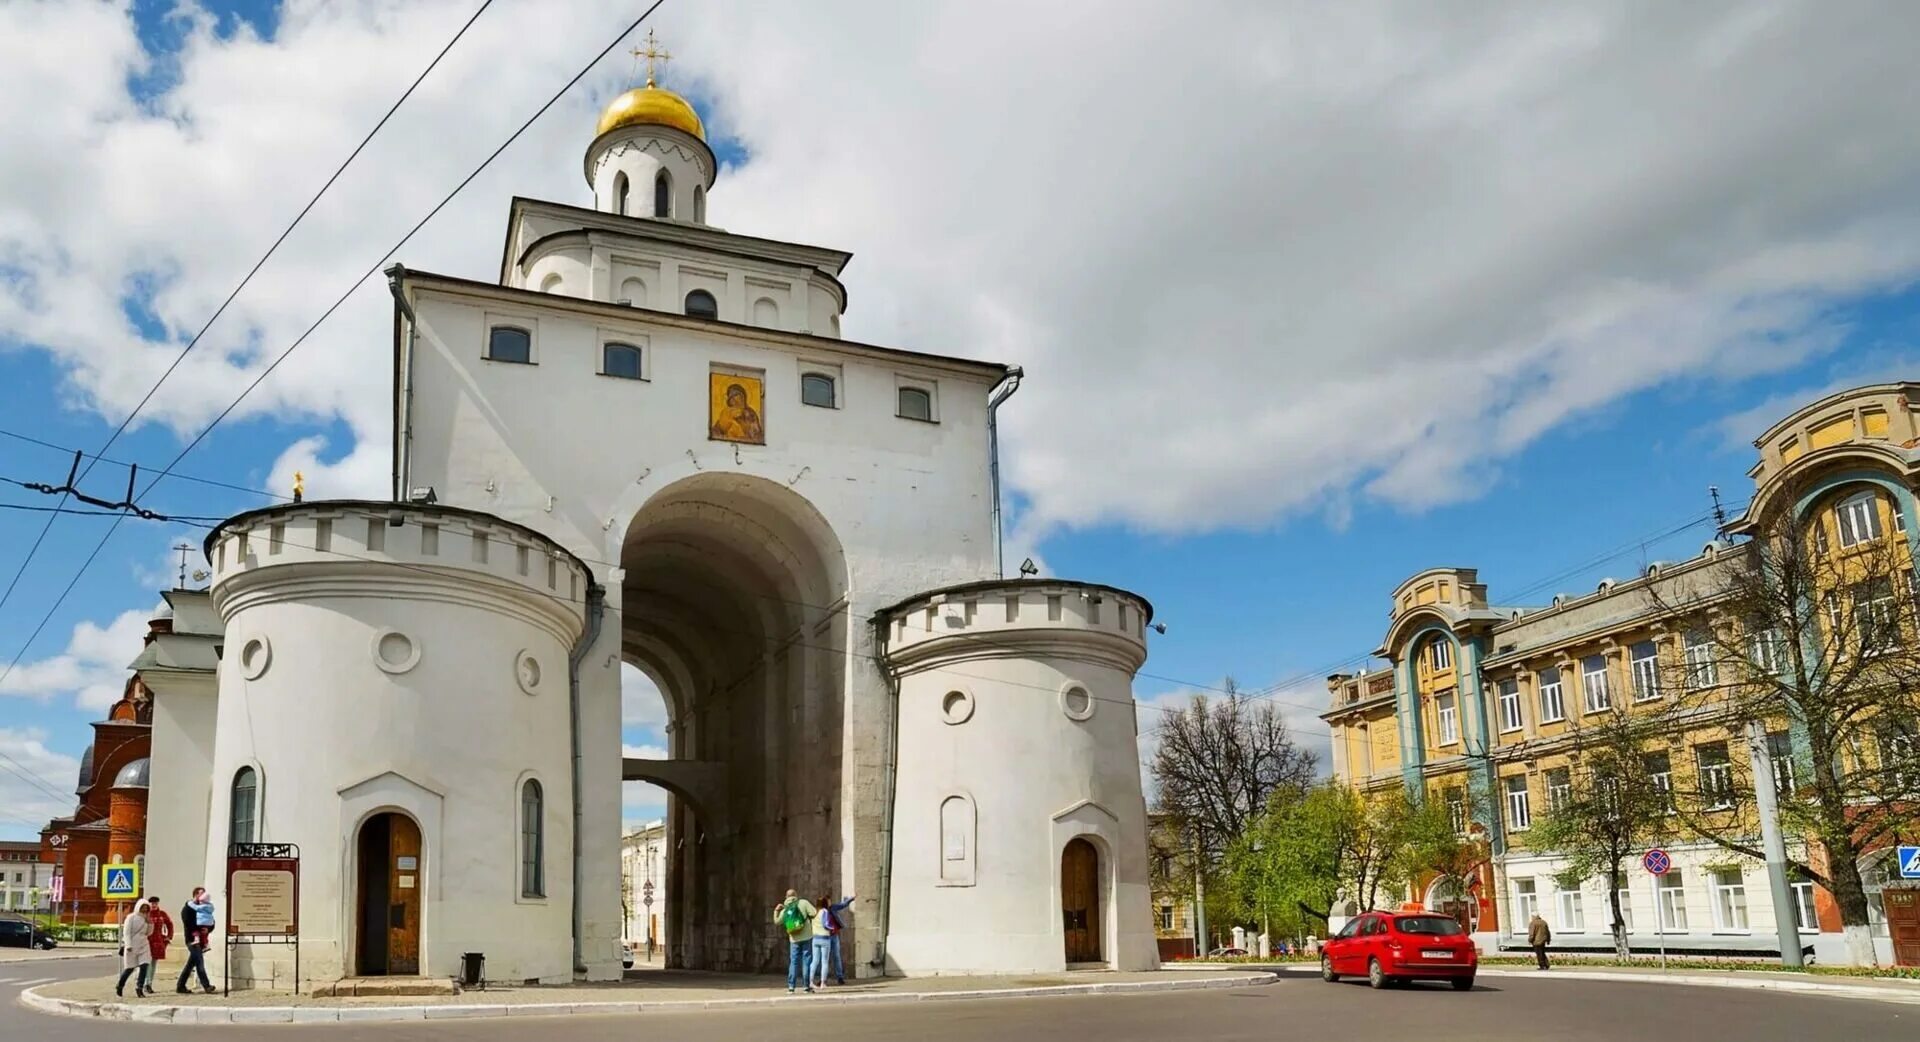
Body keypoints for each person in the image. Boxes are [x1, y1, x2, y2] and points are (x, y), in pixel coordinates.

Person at [772, 889, 817, 993]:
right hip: (807, 937)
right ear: (796, 895)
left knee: (794, 962)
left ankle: (791, 987)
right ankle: (806, 987)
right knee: (806, 961)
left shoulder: (785, 909)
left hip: (794, 939)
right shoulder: (803, 902)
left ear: (786, 897)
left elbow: (777, 922)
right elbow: (814, 913)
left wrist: (776, 910)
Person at [177, 887, 217, 994]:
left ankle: (180, 986)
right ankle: (206, 986)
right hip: (192, 939)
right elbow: (187, 923)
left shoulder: (204, 907)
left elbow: (211, 921)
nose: (204, 896)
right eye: (201, 894)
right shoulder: (188, 908)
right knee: (199, 962)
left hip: (201, 940)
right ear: (196, 895)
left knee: (191, 964)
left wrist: (208, 929)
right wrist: (198, 930)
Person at [116, 900, 154, 998]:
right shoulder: (131, 917)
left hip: (144, 944)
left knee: (144, 966)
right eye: (143, 907)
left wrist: (150, 923)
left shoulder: (146, 918)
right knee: (129, 968)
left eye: (146, 907)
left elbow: (149, 933)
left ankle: (139, 988)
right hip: (132, 945)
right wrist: (128, 945)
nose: (145, 909)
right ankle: (120, 985)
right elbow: (127, 932)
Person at [814, 894, 854, 986]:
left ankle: (840, 977)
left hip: (834, 936)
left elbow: (843, 905)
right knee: (824, 959)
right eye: (827, 901)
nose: (829, 903)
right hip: (825, 937)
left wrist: (851, 899)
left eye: (829, 901)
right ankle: (823, 979)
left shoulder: (833, 908)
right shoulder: (821, 911)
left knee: (836, 956)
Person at [144, 896, 174, 972]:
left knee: (153, 962)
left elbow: (170, 924)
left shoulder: (162, 914)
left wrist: (169, 936)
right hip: (146, 941)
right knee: (146, 962)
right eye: (152, 903)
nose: (154, 905)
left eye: (155, 903)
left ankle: (148, 982)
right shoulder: (145, 914)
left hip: (157, 941)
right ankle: (144, 980)